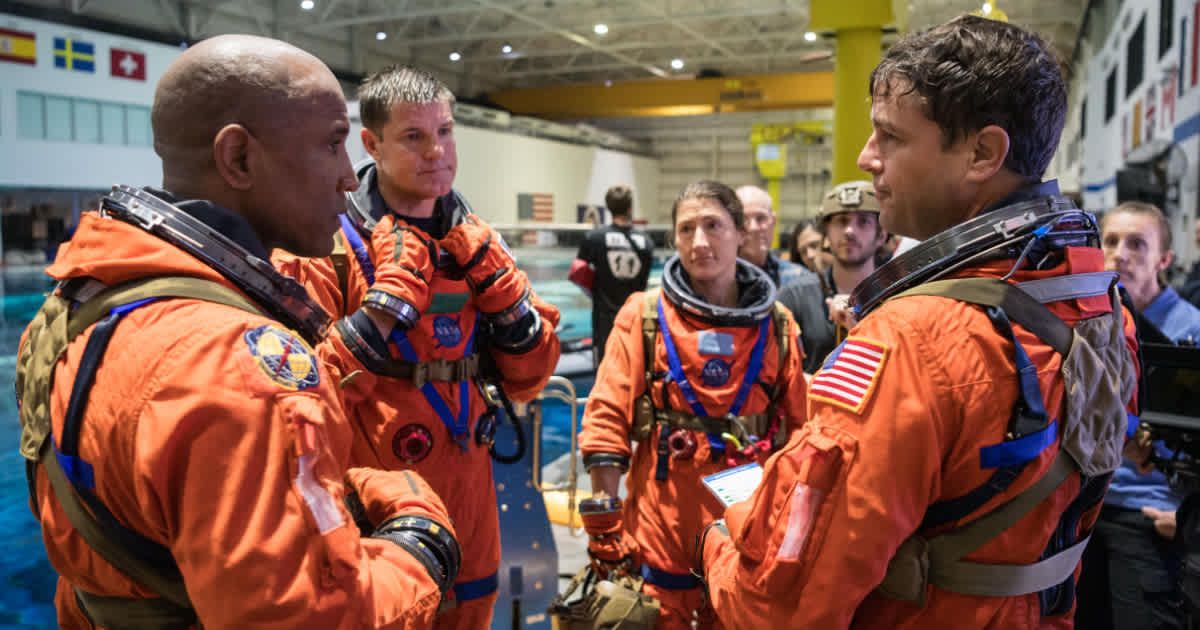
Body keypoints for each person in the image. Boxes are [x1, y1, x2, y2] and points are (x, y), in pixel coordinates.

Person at [698, 15, 1139, 628]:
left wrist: (716, 544)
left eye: (890, 138)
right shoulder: (1102, 306)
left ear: (982, 153)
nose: (866, 157)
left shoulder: (911, 339)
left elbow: (782, 602)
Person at [15, 35, 462, 628]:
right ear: (239, 159)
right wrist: (420, 541)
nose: (348, 181)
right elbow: (312, 618)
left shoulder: (76, 309)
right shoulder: (240, 364)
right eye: (332, 145)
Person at [273, 64, 561, 629]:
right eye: (414, 136)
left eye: (445, 131)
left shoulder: (478, 243)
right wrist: (381, 309)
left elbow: (529, 381)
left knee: (475, 607)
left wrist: (510, 304)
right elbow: (297, 397)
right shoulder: (326, 247)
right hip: (378, 502)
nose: (437, 151)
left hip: (471, 491)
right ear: (371, 143)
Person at [578, 180, 808, 629]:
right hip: (661, 528)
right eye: (686, 230)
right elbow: (605, 418)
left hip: (748, 529)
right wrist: (604, 526)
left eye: (713, 226)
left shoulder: (778, 326)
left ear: (740, 233)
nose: (699, 242)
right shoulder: (643, 316)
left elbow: (800, 434)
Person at [1075, 201, 1200, 630]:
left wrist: (1189, 517)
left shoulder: (1191, 332)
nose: (1120, 254)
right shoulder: (1086, 322)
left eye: (1136, 244)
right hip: (1084, 509)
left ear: (1164, 259)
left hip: (1151, 516)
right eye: (1110, 241)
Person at [777, 181, 888, 373]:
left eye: (863, 221)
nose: (849, 231)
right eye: (841, 221)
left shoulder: (900, 297)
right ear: (826, 234)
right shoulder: (794, 297)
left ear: (881, 235)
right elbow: (776, 371)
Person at [569, 185, 654, 365]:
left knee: (605, 369)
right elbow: (644, 283)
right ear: (630, 208)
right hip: (634, 318)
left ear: (608, 207)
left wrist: (595, 290)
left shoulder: (594, 238)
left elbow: (577, 272)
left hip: (605, 320)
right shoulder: (646, 243)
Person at [735, 185, 811, 290]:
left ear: (774, 221)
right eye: (744, 219)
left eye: (761, 218)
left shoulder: (799, 279)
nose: (753, 228)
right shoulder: (715, 279)